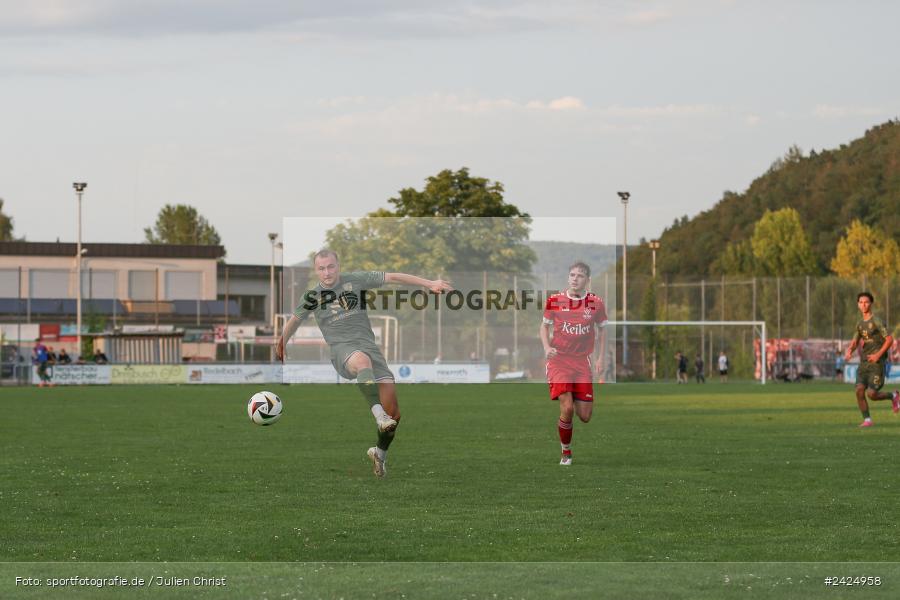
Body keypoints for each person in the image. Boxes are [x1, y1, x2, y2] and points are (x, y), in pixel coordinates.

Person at [275, 249, 452, 478]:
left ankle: (379, 453)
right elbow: (295, 320)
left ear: (338, 266)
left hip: (370, 350)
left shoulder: (356, 280)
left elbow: (394, 277)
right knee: (363, 364)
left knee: (394, 416)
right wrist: (282, 341)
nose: (327, 272)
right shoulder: (312, 296)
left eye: (331, 266)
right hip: (342, 351)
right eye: (321, 268)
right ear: (316, 270)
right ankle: (378, 415)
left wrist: (429, 283)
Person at [539, 261, 607, 466]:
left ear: (587, 280)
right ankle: (565, 453)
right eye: (572, 275)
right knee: (567, 407)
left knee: (585, 416)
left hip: (582, 363)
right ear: (568, 277)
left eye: (579, 275)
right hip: (559, 360)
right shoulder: (555, 301)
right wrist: (546, 347)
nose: (574, 278)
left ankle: (576, 396)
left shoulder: (596, 303)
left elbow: (603, 330)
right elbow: (543, 327)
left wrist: (601, 357)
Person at [844, 291, 899, 428]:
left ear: (871, 303)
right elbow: (855, 340)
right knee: (859, 391)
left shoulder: (877, 321)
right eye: (861, 302)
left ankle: (894, 395)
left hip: (877, 363)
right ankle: (867, 420)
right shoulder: (860, 324)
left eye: (866, 302)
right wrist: (850, 349)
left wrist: (878, 355)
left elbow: (890, 340)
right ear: (858, 304)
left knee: (872, 394)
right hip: (864, 363)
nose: (864, 305)